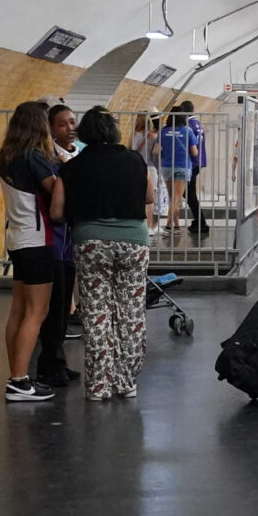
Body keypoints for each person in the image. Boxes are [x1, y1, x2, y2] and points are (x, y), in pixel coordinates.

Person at [58, 107, 154, 400]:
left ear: (85, 133)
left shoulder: (72, 167)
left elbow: (58, 209)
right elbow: (149, 197)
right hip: (133, 241)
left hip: (91, 242)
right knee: (131, 312)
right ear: (113, 132)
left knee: (97, 312)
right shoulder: (134, 160)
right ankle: (126, 382)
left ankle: (99, 385)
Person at [0, 100, 65, 404]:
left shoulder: (7, 156)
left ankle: (17, 374)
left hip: (16, 237)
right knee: (37, 313)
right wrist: (64, 169)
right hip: (37, 239)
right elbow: (54, 189)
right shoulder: (34, 157)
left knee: (18, 310)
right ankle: (19, 381)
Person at [32, 103, 81, 388]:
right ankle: (49, 363)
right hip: (53, 240)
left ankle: (57, 360)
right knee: (55, 305)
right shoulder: (46, 159)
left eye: (73, 122)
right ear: (50, 127)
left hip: (67, 241)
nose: (70, 128)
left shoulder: (71, 154)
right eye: (63, 124)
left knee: (64, 308)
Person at [155, 102, 205, 240]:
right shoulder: (187, 131)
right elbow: (195, 152)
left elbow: (155, 150)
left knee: (172, 198)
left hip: (166, 167)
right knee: (176, 199)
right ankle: (168, 227)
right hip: (183, 166)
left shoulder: (163, 131)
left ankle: (176, 227)